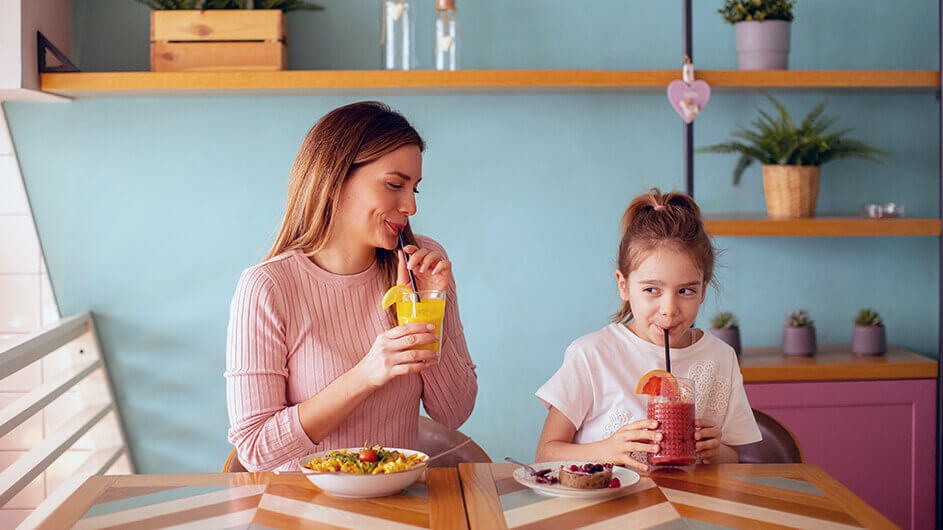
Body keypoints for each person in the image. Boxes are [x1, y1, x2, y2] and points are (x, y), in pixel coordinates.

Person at [225, 101, 478, 471]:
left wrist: (430, 308)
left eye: (415, 190)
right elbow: (256, 449)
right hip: (299, 514)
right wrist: (365, 375)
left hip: (398, 507)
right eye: (394, 185)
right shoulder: (268, 287)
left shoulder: (424, 262)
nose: (410, 206)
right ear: (333, 180)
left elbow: (453, 412)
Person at [534, 188, 760, 472]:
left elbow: (733, 460)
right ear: (623, 285)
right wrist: (607, 449)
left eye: (686, 290)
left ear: (703, 289)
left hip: (692, 509)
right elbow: (544, 453)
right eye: (652, 289)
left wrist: (714, 450)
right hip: (609, 511)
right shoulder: (591, 355)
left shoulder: (721, 358)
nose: (669, 308)